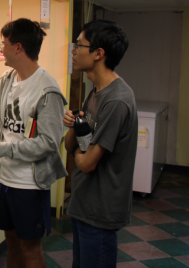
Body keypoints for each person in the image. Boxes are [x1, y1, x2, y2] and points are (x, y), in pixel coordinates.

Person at [0, 18, 68, 268]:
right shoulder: (9, 78)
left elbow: (48, 143)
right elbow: (2, 119)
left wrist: (4, 149)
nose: (1, 50)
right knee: (11, 241)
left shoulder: (47, 90)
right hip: (5, 180)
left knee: (30, 248)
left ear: (18, 47)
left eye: (4, 44)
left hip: (29, 185)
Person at [63, 19, 137, 268]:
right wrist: (74, 125)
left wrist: (76, 148)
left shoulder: (117, 100)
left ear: (98, 53)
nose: (74, 51)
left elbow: (87, 164)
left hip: (100, 210)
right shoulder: (96, 91)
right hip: (84, 203)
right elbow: (69, 144)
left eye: (79, 45)